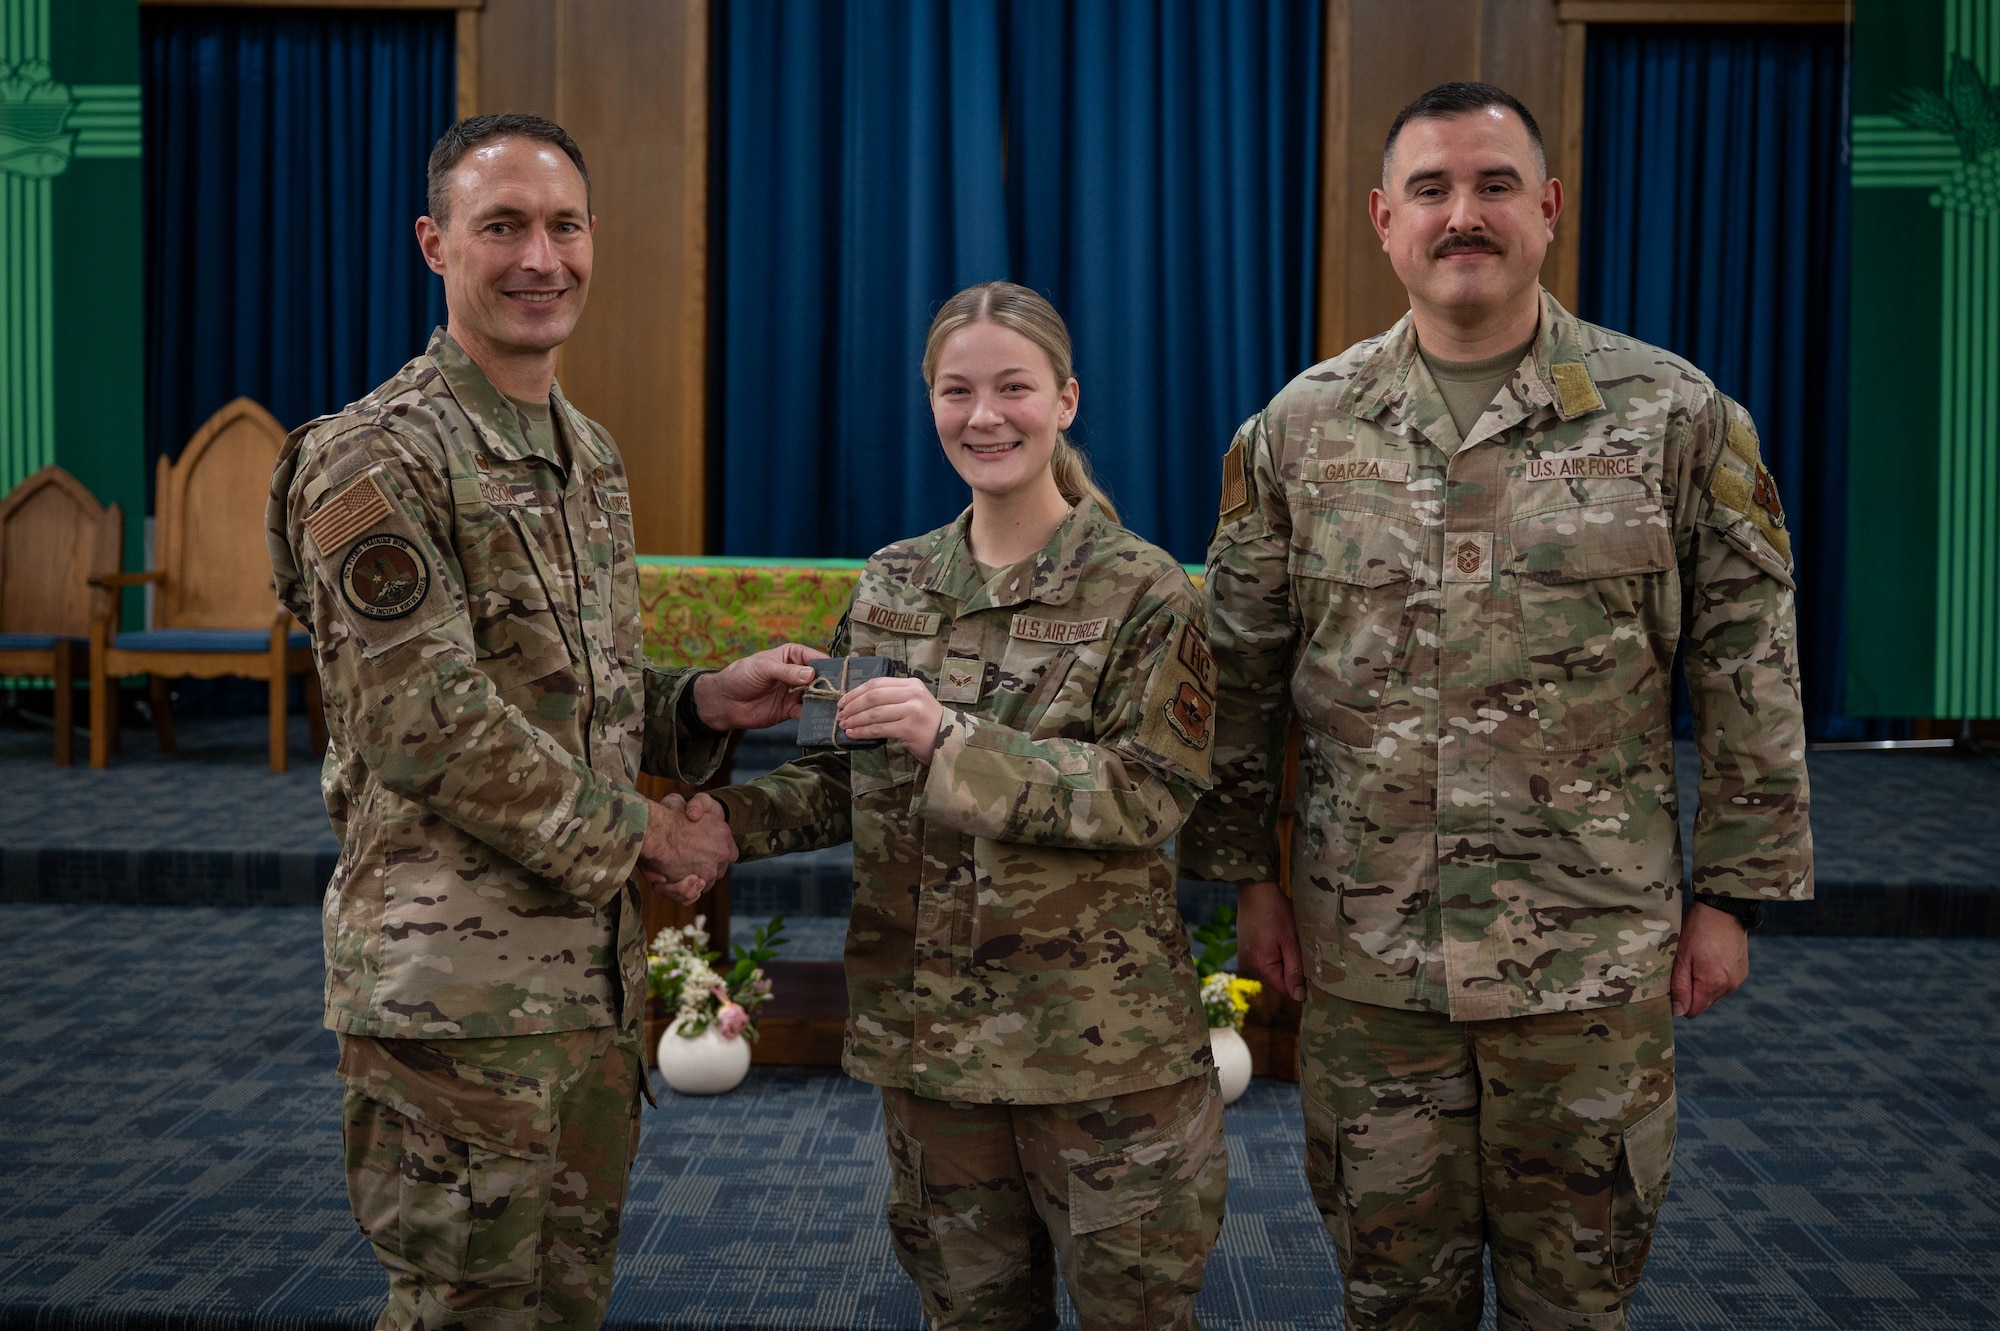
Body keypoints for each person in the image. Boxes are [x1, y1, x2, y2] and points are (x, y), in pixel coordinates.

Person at [1180, 83, 1813, 1330]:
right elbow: (1240, 679)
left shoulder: (1675, 418)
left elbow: (1748, 669)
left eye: (1490, 186)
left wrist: (1728, 896)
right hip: (1367, 959)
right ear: (1381, 218)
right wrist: (1245, 876)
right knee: (1389, 1292)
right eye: (1430, 189)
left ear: (1547, 208)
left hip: (1589, 956)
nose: (1460, 214)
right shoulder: (1299, 430)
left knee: (1572, 1300)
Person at [267, 113, 818, 1330]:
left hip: (584, 982)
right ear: (434, 244)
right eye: (500, 225)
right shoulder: (374, 458)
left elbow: (571, 702)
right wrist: (651, 839)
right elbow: (425, 721)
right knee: (463, 1305)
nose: (539, 258)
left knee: (566, 1300)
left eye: (563, 226)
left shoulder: (587, 455)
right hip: (453, 991)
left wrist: (698, 702)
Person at [708, 282, 1227, 1330]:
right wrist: (722, 826)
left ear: (1065, 399)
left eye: (1012, 388)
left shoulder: (1142, 590)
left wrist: (954, 740)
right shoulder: (896, 580)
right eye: (956, 390)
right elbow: (838, 775)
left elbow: (1148, 792)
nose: (983, 415)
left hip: (1096, 1056)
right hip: (931, 1047)